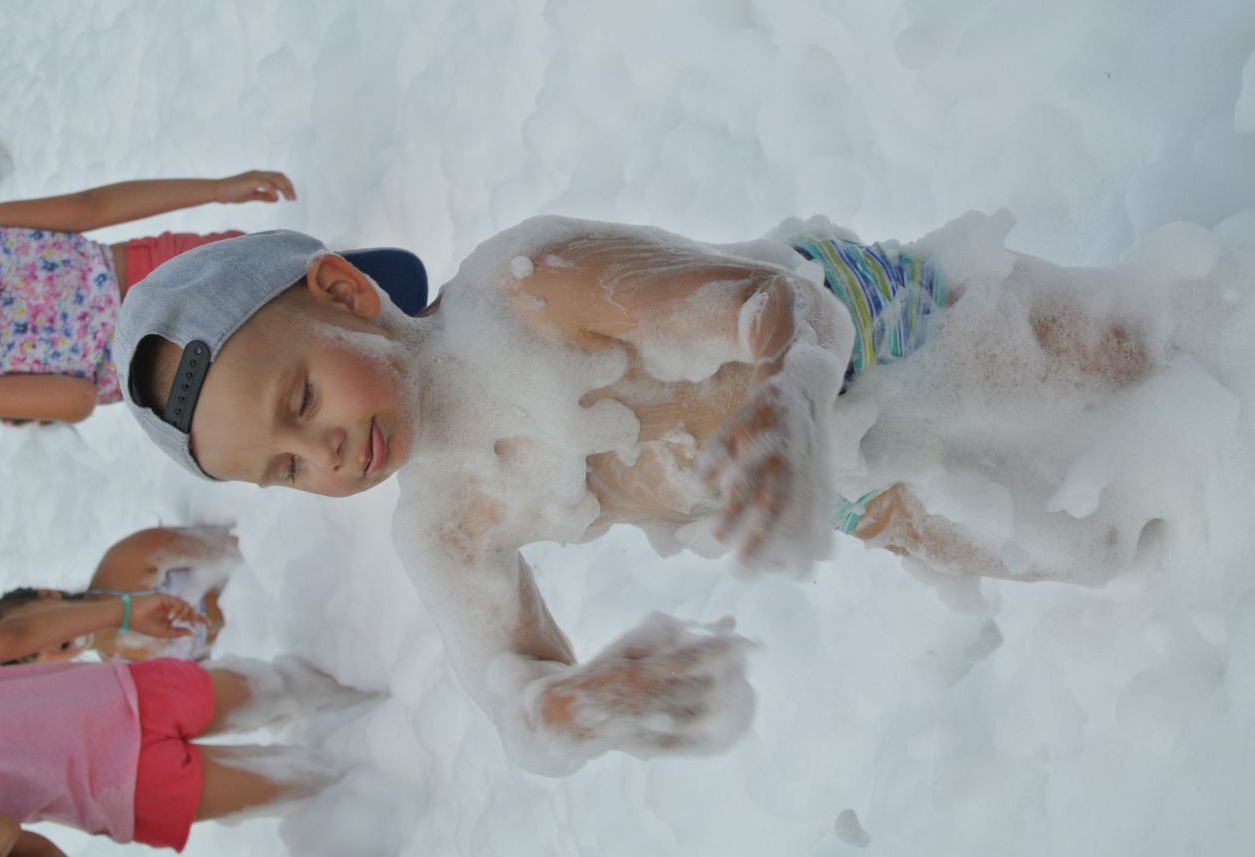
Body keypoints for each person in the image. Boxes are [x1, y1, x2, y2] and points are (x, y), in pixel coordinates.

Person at [109, 211, 1227, 774]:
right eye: (286, 468)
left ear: (345, 291)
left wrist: (788, 398)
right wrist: (576, 703)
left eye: (302, 398)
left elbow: (775, 303)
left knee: (1116, 349)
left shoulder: (525, 286)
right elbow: (512, 690)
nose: (324, 451)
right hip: (835, 476)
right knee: (1068, 545)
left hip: (863, 325)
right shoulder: (445, 524)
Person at [0, 589, 357, 854]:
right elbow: (13, 837)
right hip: (125, 768)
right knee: (328, 783)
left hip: (127, 720)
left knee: (305, 708)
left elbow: (17, 635)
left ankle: (371, 685)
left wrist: (123, 612)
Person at [0, 169, 296, 423]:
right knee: (309, 290)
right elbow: (90, 206)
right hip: (169, 271)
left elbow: (79, 399)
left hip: (169, 362)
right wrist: (216, 189)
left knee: (299, 379)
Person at [0, 526, 236, 664]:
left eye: (34, 628)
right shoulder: (126, 669)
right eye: (33, 655)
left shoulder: (125, 565)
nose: (45, 641)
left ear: (49, 594)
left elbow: (241, 544)